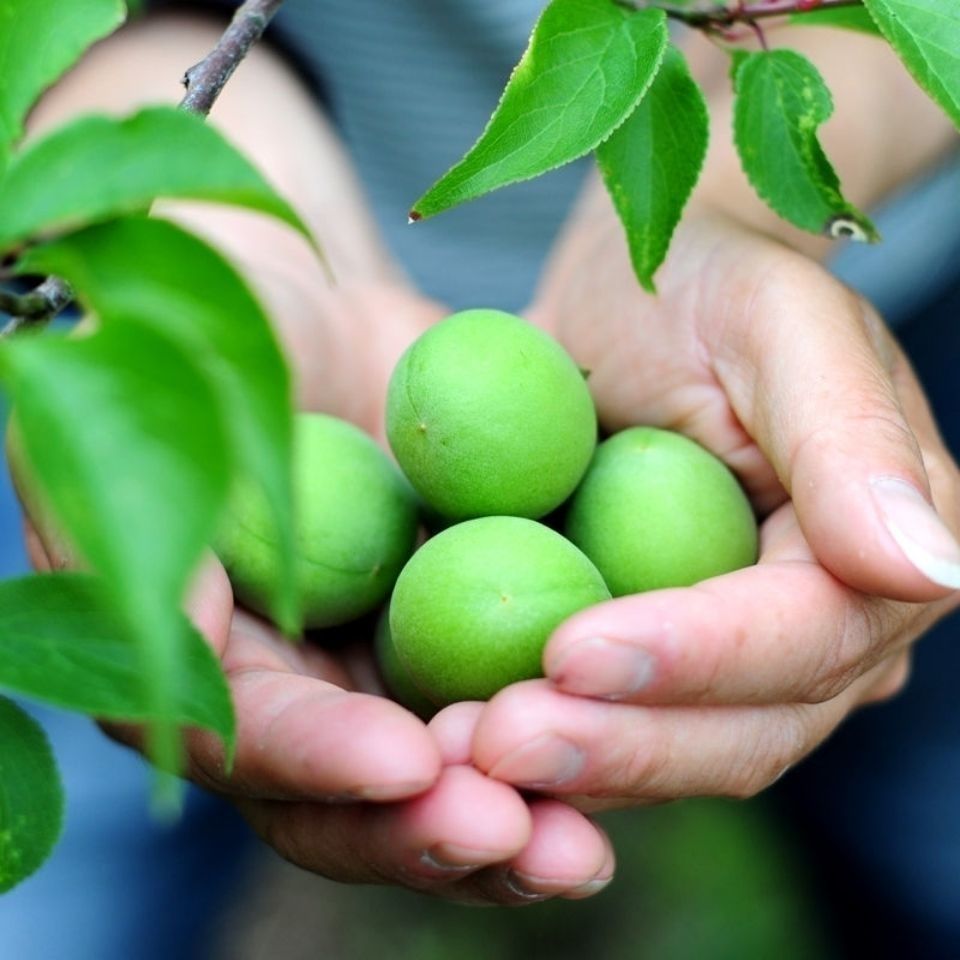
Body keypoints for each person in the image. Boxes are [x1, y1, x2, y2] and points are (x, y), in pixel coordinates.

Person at [12, 0, 960, 915]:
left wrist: (713, 219)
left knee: (924, 839)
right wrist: (166, 170)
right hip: (222, 248)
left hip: (819, 299)